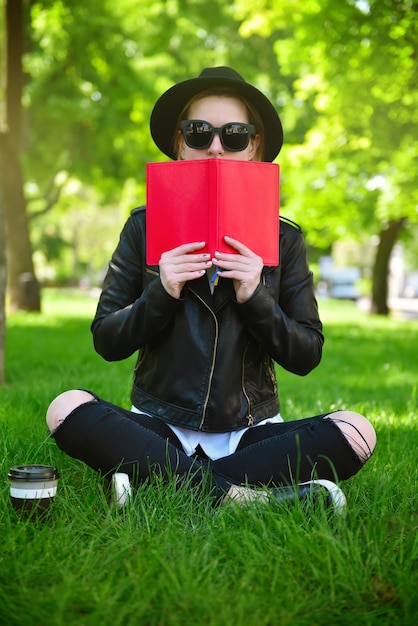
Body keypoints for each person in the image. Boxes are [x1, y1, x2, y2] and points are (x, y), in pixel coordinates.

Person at [46, 67, 376, 509]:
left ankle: (155, 480)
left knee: (357, 430)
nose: (216, 146)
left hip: (250, 433)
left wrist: (255, 295)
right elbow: (107, 340)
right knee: (65, 407)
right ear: (180, 145)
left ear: (254, 146)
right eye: (199, 133)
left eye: (235, 135)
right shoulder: (142, 229)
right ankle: (250, 498)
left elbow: (306, 354)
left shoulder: (285, 240)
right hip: (157, 425)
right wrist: (161, 290)